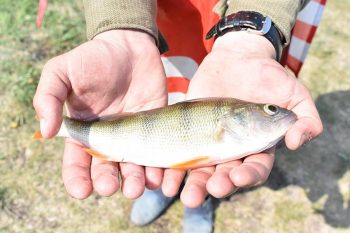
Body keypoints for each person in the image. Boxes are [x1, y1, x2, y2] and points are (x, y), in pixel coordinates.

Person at [33, 0, 323, 232]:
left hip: (242, 35)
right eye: (269, 110)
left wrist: (252, 34)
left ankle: (199, 199)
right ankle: (157, 186)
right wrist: (120, 25)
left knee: (211, 175)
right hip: (163, 20)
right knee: (163, 89)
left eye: (269, 109)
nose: (276, 112)